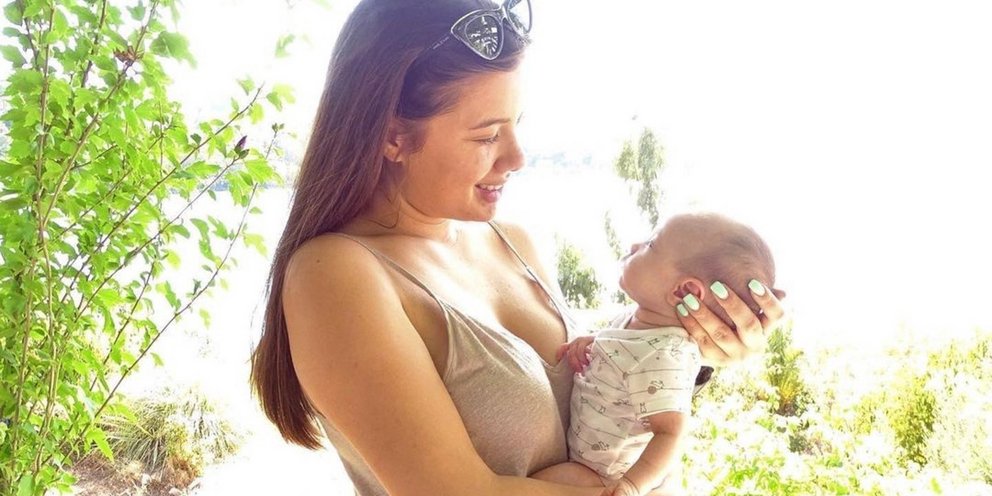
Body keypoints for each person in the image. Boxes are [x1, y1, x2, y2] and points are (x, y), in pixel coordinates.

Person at [249, 1, 786, 495]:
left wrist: (695, 344)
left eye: (516, 126)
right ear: (393, 137)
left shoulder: (514, 241)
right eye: (487, 136)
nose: (517, 158)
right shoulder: (336, 275)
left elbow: (605, 405)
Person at [534, 213, 786, 496]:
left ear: (684, 290)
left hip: (603, 475)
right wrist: (590, 343)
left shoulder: (665, 356)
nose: (634, 245)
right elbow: (619, 351)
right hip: (591, 459)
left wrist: (631, 486)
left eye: (651, 244)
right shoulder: (638, 321)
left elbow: (671, 432)